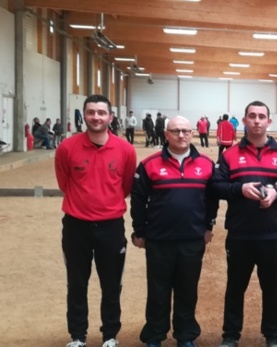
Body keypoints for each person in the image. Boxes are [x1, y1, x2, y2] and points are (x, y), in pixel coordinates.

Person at [212, 101, 277, 347]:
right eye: (252, 116)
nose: (257, 121)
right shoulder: (229, 154)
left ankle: (273, 335)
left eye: (262, 116)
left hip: (272, 235)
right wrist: (239, 189)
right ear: (244, 120)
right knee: (235, 288)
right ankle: (230, 335)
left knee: (272, 289)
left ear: (269, 122)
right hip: (240, 234)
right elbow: (216, 186)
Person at [54, 94, 137, 347]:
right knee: (76, 283)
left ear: (110, 117)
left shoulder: (126, 150)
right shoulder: (67, 148)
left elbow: (125, 187)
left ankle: (110, 336)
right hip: (76, 227)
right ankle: (78, 337)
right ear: (83, 115)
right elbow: (64, 183)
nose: (96, 117)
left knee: (111, 285)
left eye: (101, 113)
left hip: (111, 227)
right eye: (91, 112)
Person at [131, 116, 219, 347]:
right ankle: (154, 335)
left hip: (192, 240)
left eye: (185, 131)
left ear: (192, 133)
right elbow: (138, 200)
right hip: (159, 241)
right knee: (158, 291)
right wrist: (139, 231)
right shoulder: (149, 164)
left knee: (187, 291)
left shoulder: (207, 165)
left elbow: (212, 200)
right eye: (176, 131)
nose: (181, 135)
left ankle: (185, 335)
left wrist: (208, 226)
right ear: (166, 134)